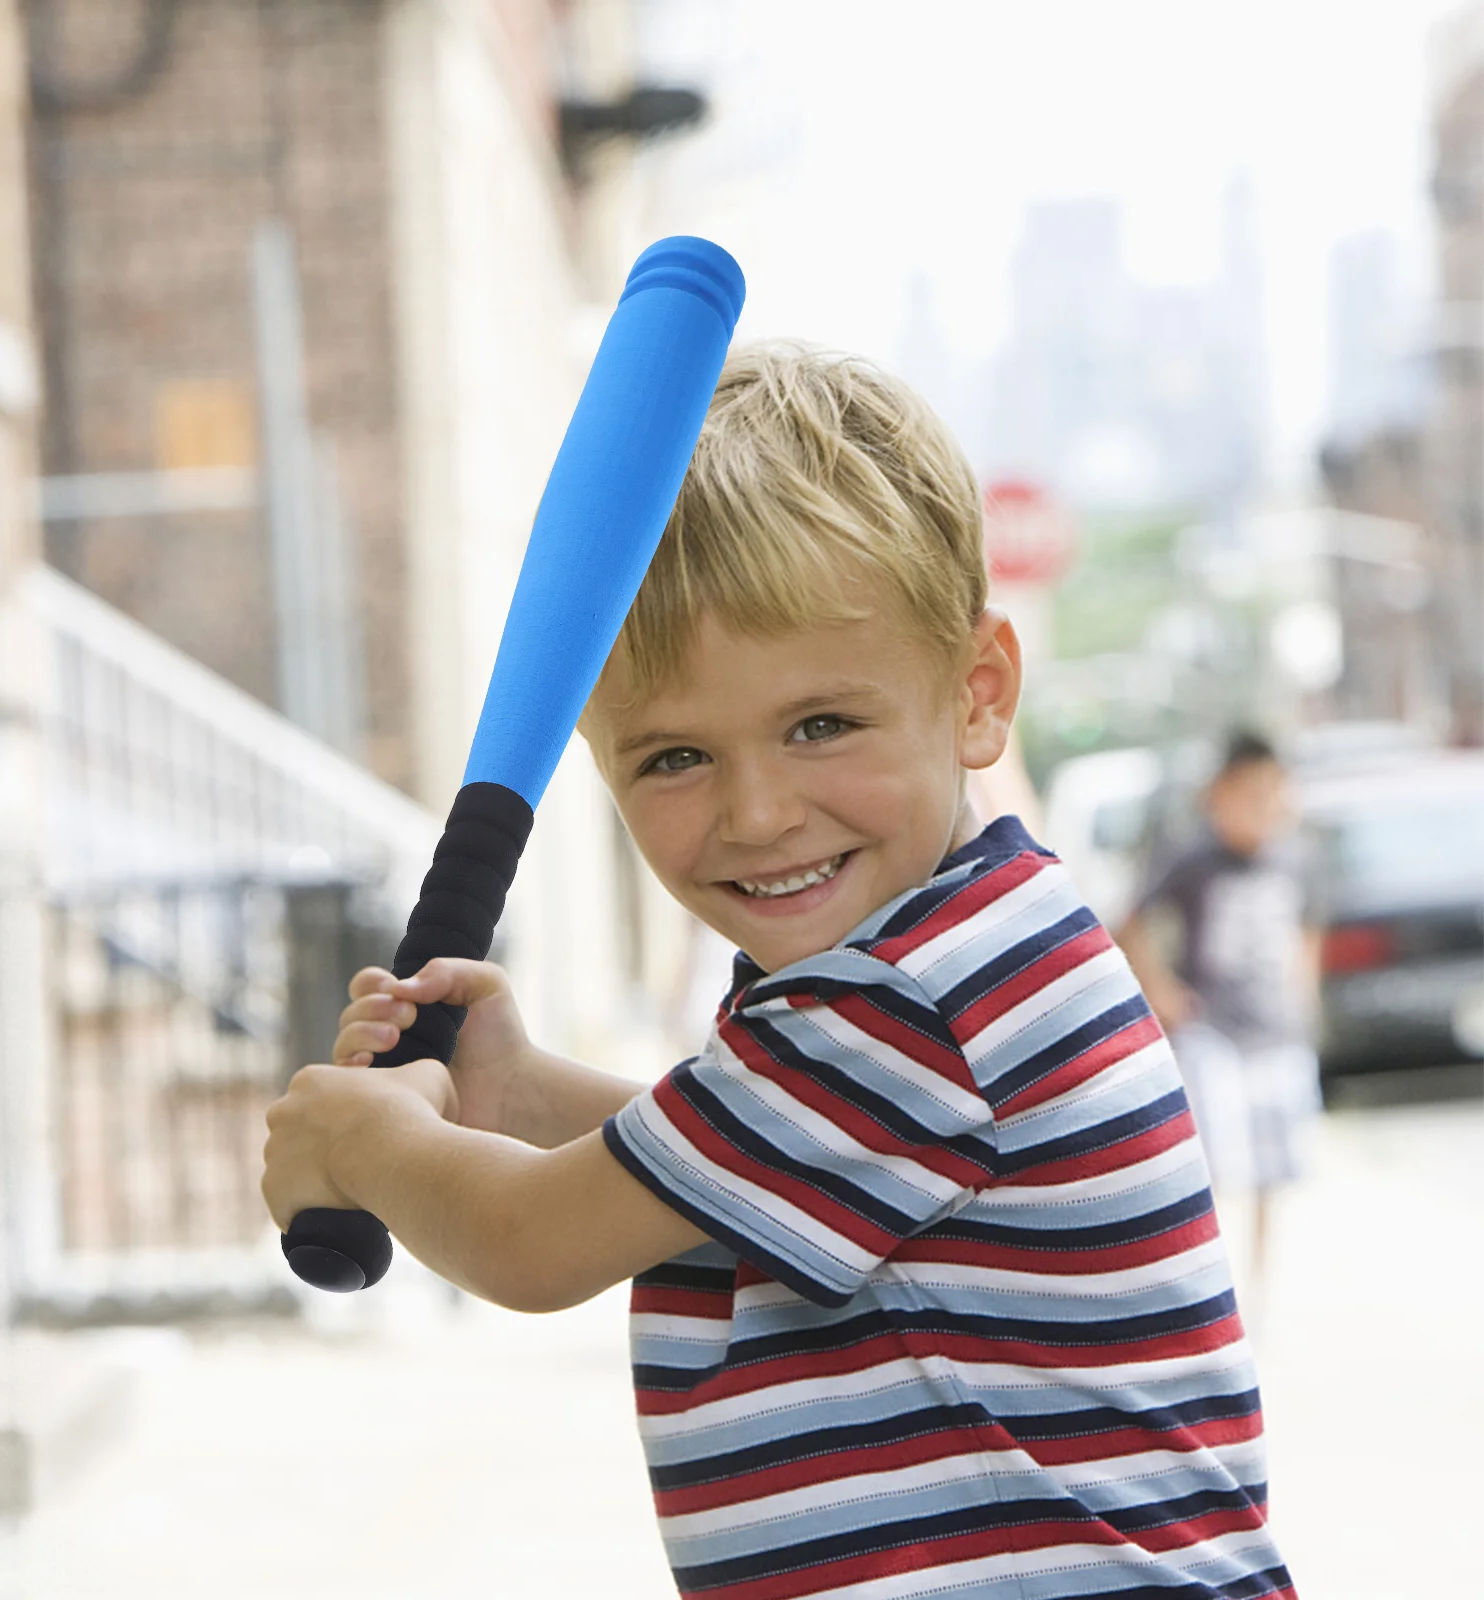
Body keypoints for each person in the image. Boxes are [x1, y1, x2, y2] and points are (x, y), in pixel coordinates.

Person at [263, 347, 1293, 1599]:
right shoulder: (950, 954)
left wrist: (360, 1141)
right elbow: (736, 1179)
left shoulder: (908, 1001)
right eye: (675, 756)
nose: (757, 812)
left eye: (821, 725)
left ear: (976, 696)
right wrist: (521, 1094)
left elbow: (529, 1244)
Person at [1117, 733, 1322, 1282]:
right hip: (1211, 1032)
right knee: (1216, 1171)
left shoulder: (1297, 856)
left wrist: (1304, 1000)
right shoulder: (1191, 855)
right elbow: (1130, 920)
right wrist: (1160, 994)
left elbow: (1309, 934)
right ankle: (1213, 1284)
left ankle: (1260, 1292)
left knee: (1271, 1175)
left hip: (1276, 1034)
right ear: (1220, 793)